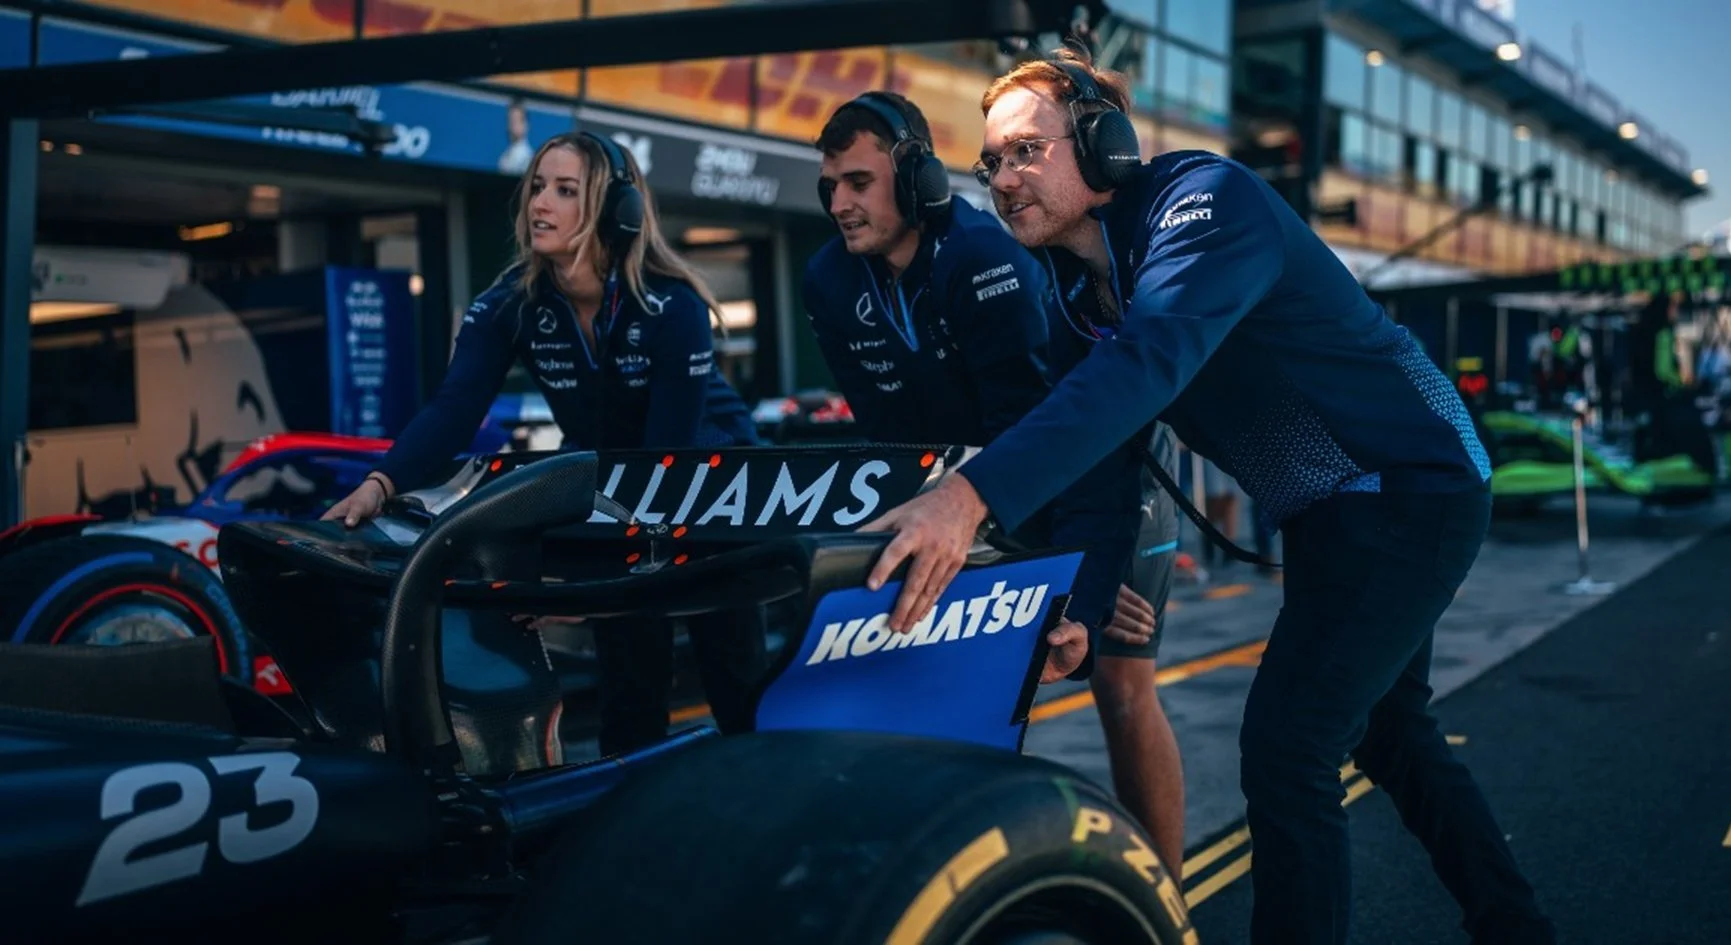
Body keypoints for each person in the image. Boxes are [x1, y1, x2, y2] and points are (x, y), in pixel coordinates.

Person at [856, 46, 1556, 945]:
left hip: (1413, 484)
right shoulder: (1074, 287)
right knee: (1389, 735)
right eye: (992, 160)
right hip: (1330, 510)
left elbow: (1150, 362)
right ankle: (1517, 926)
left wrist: (965, 498)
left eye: (1027, 150)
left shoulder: (1205, 203)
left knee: (1288, 746)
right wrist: (1087, 605)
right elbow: (1106, 465)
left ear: (1106, 146)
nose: (1003, 177)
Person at [803, 90, 1188, 868]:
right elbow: (890, 443)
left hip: (1099, 481)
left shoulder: (985, 258)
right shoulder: (828, 278)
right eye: (830, 187)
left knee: (1117, 683)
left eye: (859, 183)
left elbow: (1056, 436)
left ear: (916, 182)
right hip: (972, 501)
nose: (839, 204)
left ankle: (1166, 903)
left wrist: (1086, 573)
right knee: (959, 692)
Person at [323, 130, 765, 757]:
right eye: (536, 187)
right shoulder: (512, 302)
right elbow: (453, 411)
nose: (540, 204)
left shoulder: (673, 306)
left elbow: (666, 462)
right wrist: (379, 485)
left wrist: (584, 588)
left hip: (712, 488)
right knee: (631, 692)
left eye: (564, 190)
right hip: (620, 490)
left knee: (736, 684)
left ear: (618, 210)